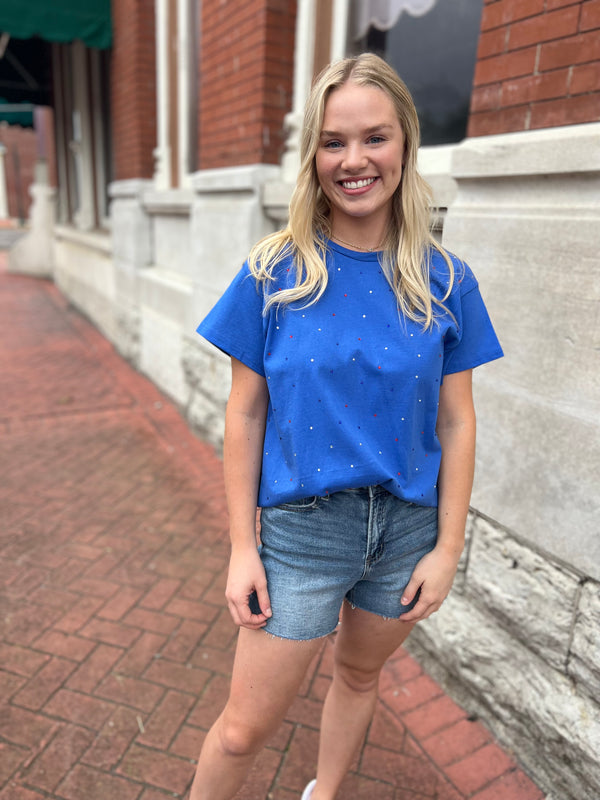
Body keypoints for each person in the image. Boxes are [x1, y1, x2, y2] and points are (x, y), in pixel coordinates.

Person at [191, 53, 503, 800]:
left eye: (374, 138)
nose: (354, 160)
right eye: (334, 142)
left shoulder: (447, 280)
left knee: (360, 676)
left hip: (406, 533)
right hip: (303, 534)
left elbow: (457, 422)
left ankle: (324, 793)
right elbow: (245, 412)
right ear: (313, 155)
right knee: (242, 730)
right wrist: (242, 547)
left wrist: (448, 549)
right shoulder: (273, 273)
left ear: (406, 143)